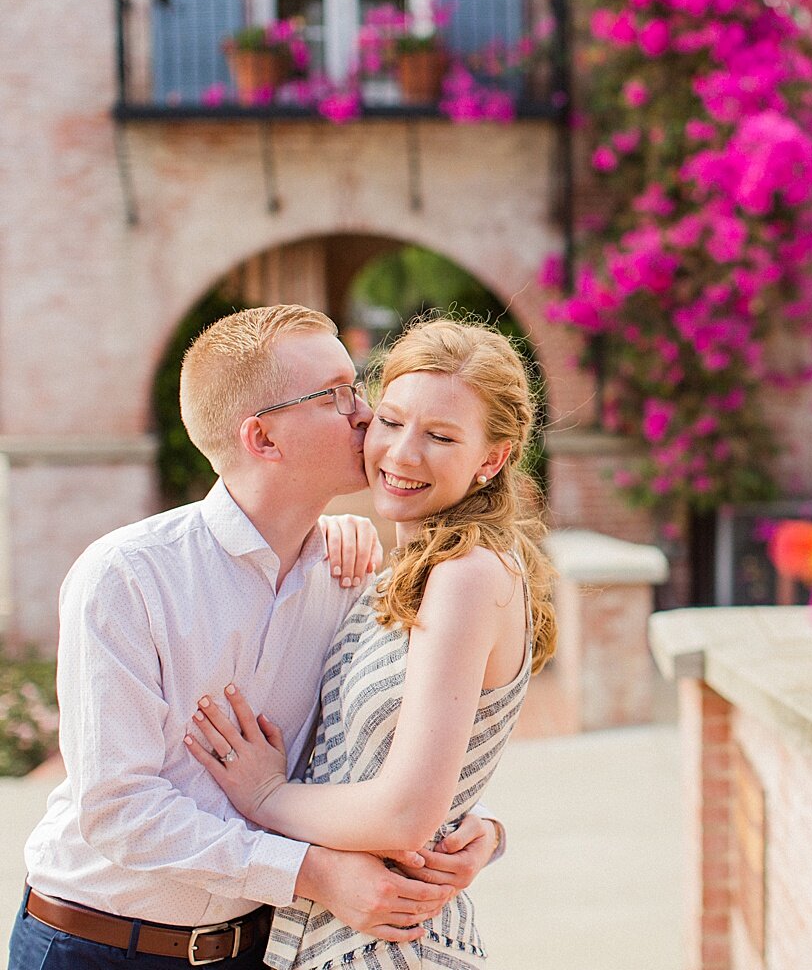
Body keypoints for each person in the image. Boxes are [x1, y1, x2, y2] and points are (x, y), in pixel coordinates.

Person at [11, 306, 505, 970]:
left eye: (356, 388)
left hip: (255, 950)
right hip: (97, 944)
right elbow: (119, 809)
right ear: (263, 439)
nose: (365, 413)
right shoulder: (125, 576)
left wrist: (478, 831)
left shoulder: (351, 575)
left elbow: (375, 747)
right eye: (336, 395)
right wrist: (310, 873)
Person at [186, 317, 557, 969]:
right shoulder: (402, 569)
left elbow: (408, 812)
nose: (402, 454)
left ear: (491, 459)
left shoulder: (468, 575)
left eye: (441, 437)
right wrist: (483, 827)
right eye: (389, 421)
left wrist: (266, 796)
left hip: (388, 947)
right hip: (334, 938)